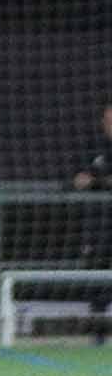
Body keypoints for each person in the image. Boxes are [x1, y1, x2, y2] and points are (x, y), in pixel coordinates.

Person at [70, 103, 112, 333]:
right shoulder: (92, 148)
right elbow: (76, 179)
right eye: (108, 121)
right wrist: (82, 179)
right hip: (98, 225)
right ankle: (98, 329)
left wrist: (96, 181)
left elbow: (95, 180)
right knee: (95, 272)